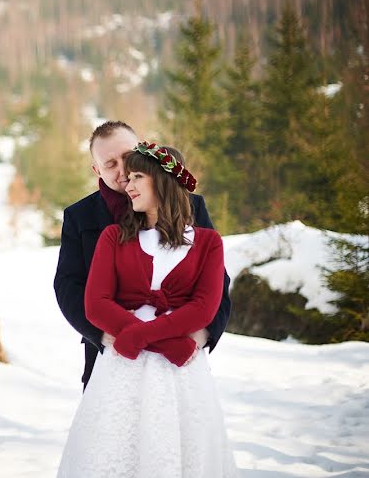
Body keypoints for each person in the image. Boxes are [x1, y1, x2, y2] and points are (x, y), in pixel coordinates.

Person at [56, 141, 238, 477]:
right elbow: (95, 304)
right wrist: (166, 343)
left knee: (183, 447)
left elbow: (205, 306)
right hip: (122, 365)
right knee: (114, 448)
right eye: (124, 173)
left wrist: (149, 338)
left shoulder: (208, 241)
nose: (128, 182)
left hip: (181, 372)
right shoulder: (113, 236)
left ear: (163, 180)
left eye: (137, 175)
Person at [53, 121, 231, 389]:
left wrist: (204, 333)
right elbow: (68, 286)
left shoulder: (190, 206)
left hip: (180, 351)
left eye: (127, 157)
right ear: (96, 170)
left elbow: (216, 280)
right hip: (112, 350)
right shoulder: (81, 217)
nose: (123, 170)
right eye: (110, 164)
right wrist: (102, 334)